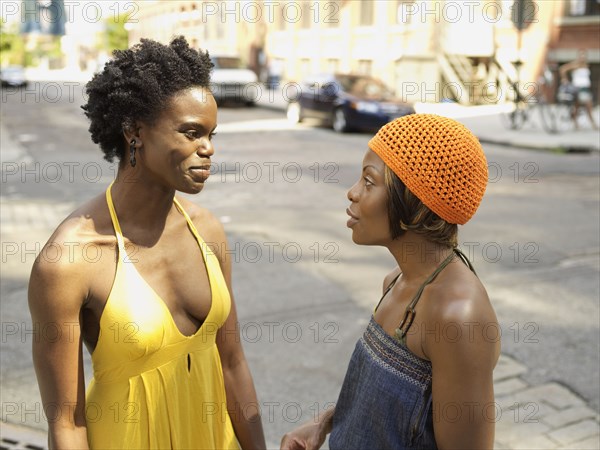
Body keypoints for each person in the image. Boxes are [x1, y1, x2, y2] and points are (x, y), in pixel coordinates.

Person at [28, 36, 266, 449]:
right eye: (192, 132)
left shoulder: (207, 230)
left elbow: (232, 364)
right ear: (135, 132)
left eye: (211, 133)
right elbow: (66, 424)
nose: (208, 149)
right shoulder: (69, 259)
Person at [281, 114, 500, 450]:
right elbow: (387, 403)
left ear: (414, 204)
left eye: (369, 182)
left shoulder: (458, 316)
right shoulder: (395, 281)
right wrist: (324, 423)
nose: (352, 193)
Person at [559, 49, 599, 130]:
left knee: (578, 107)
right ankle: (593, 124)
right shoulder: (575, 65)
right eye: (581, 55)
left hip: (585, 88)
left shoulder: (586, 65)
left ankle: (576, 123)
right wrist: (564, 79)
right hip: (578, 88)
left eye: (584, 55)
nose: (582, 57)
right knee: (588, 106)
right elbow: (562, 69)